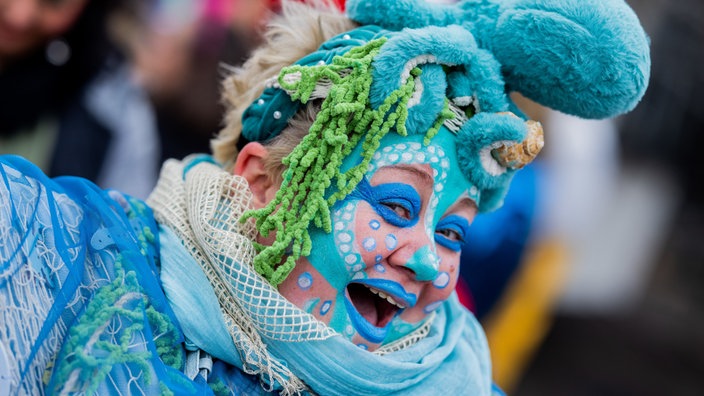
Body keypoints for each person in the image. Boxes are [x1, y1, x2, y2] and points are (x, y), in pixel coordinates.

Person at [0, 0, 650, 394]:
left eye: (452, 232)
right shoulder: (78, 255)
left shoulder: (452, 382)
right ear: (260, 182)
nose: (429, 262)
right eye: (397, 207)